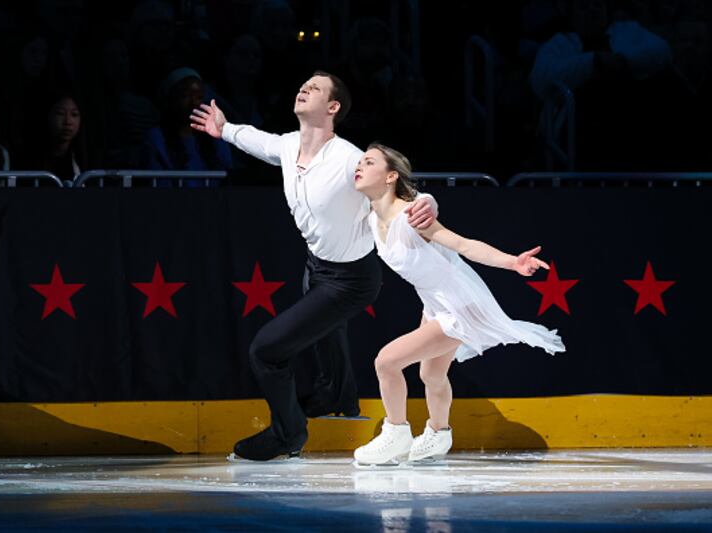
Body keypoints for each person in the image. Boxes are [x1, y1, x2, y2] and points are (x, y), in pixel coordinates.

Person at [190, 71, 438, 461]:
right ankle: (336, 395)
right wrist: (225, 130)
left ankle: (288, 434)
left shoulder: (350, 160)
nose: (304, 88)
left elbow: (400, 189)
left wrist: (428, 204)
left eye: (316, 88)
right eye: (303, 83)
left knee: (267, 351)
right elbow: (264, 144)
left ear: (333, 107)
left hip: (351, 281)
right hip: (317, 267)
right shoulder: (290, 146)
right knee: (324, 334)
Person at [352, 143, 564, 466]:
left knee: (386, 362)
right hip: (435, 303)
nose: (360, 166)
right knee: (432, 375)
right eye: (359, 162)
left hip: (460, 305)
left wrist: (512, 262)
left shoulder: (412, 214)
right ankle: (439, 433)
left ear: (391, 175)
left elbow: (463, 244)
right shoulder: (370, 221)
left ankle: (396, 432)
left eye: (369, 162)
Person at [140, 67, 232, 186]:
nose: (193, 103)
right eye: (184, 96)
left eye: (199, 97)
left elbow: (227, 178)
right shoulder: (156, 138)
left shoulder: (216, 137)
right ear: (169, 100)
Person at [19, 90, 86, 184]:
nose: (68, 122)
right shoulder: (29, 159)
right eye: (60, 113)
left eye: (74, 114)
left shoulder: (85, 158)